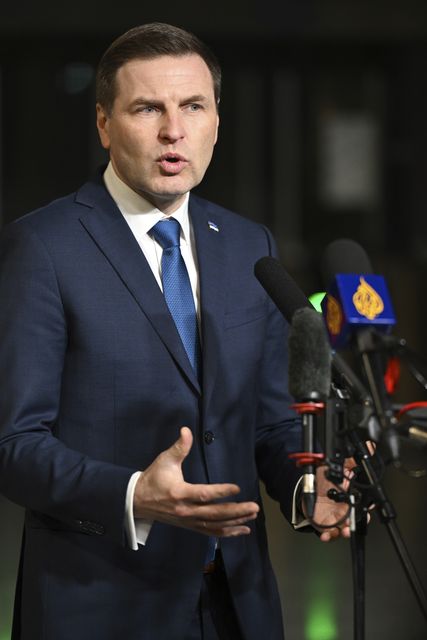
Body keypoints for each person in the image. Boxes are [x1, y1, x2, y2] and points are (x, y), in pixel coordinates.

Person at [0, 22, 351, 640]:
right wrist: (135, 494)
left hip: (238, 602)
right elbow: (13, 443)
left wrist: (305, 485)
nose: (173, 130)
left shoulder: (251, 246)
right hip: (101, 604)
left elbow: (266, 422)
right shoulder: (42, 248)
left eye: (193, 106)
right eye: (147, 108)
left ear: (217, 120)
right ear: (105, 124)